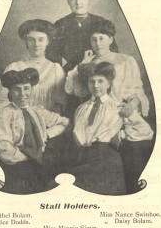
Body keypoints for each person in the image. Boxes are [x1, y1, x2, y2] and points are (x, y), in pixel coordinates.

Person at [65, 20, 155, 193]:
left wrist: (132, 104)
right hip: (93, 110)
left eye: (102, 38)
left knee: (126, 159)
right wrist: (83, 64)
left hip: (121, 111)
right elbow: (71, 88)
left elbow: (137, 89)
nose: (98, 43)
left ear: (111, 39)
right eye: (93, 40)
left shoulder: (125, 60)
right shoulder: (87, 64)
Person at [0, 68, 70, 194]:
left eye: (26, 88)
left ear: (32, 90)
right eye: (17, 89)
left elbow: (65, 122)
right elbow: (5, 150)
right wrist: (30, 157)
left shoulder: (38, 111)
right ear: (10, 92)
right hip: (17, 166)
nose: (23, 93)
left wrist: (46, 134)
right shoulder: (3, 114)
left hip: (41, 163)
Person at [68, 62, 126, 195]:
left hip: (105, 160)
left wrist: (119, 135)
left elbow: (142, 131)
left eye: (100, 81)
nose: (96, 86)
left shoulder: (117, 107)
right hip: (82, 158)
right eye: (91, 82)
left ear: (109, 84)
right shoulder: (81, 109)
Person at [0, 19, 66, 114]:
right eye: (31, 40)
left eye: (41, 40)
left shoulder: (56, 70)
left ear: (48, 41)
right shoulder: (14, 68)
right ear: (26, 42)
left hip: (47, 123)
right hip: (18, 123)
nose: (36, 44)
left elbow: (60, 104)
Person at [47, 0, 118, 72]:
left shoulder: (100, 22)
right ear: (68, 1)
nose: (78, 2)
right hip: (70, 73)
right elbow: (52, 57)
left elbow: (113, 52)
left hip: (99, 72)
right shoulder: (60, 24)